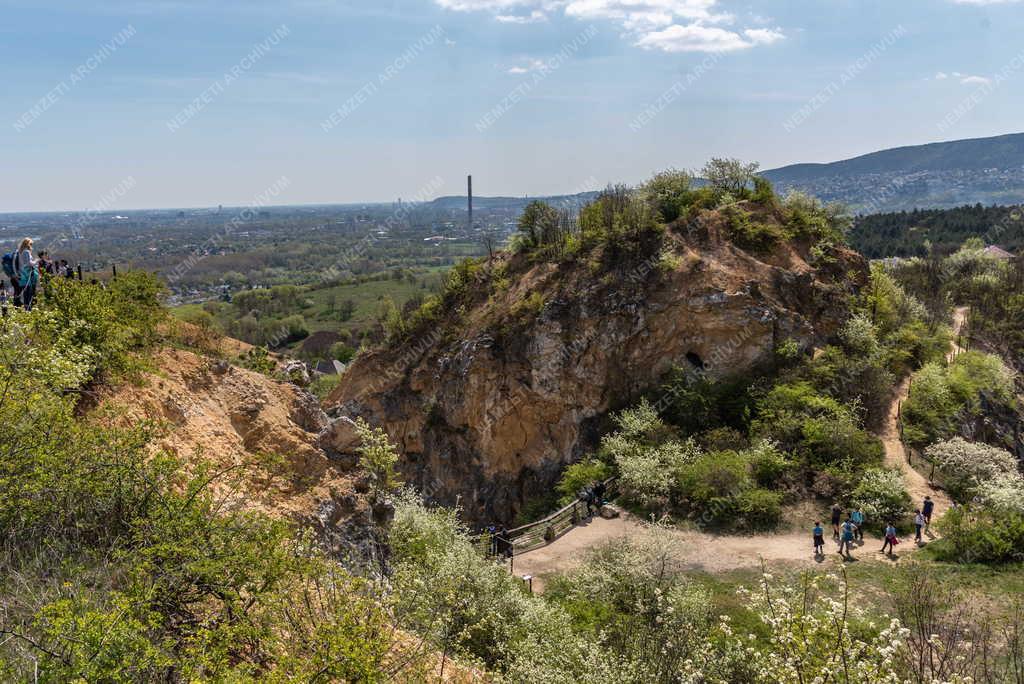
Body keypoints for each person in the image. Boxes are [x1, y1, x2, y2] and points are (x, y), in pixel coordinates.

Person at [14, 238, 39, 312]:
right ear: (28, 244)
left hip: (23, 274)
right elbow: (28, 263)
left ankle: (26, 308)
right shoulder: (26, 252)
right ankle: (29, 309)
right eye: (31, 244)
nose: (31, 246)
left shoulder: (20, 252)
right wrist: (36, 261)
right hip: (28, 274)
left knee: (26, 292)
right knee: (29, 292)